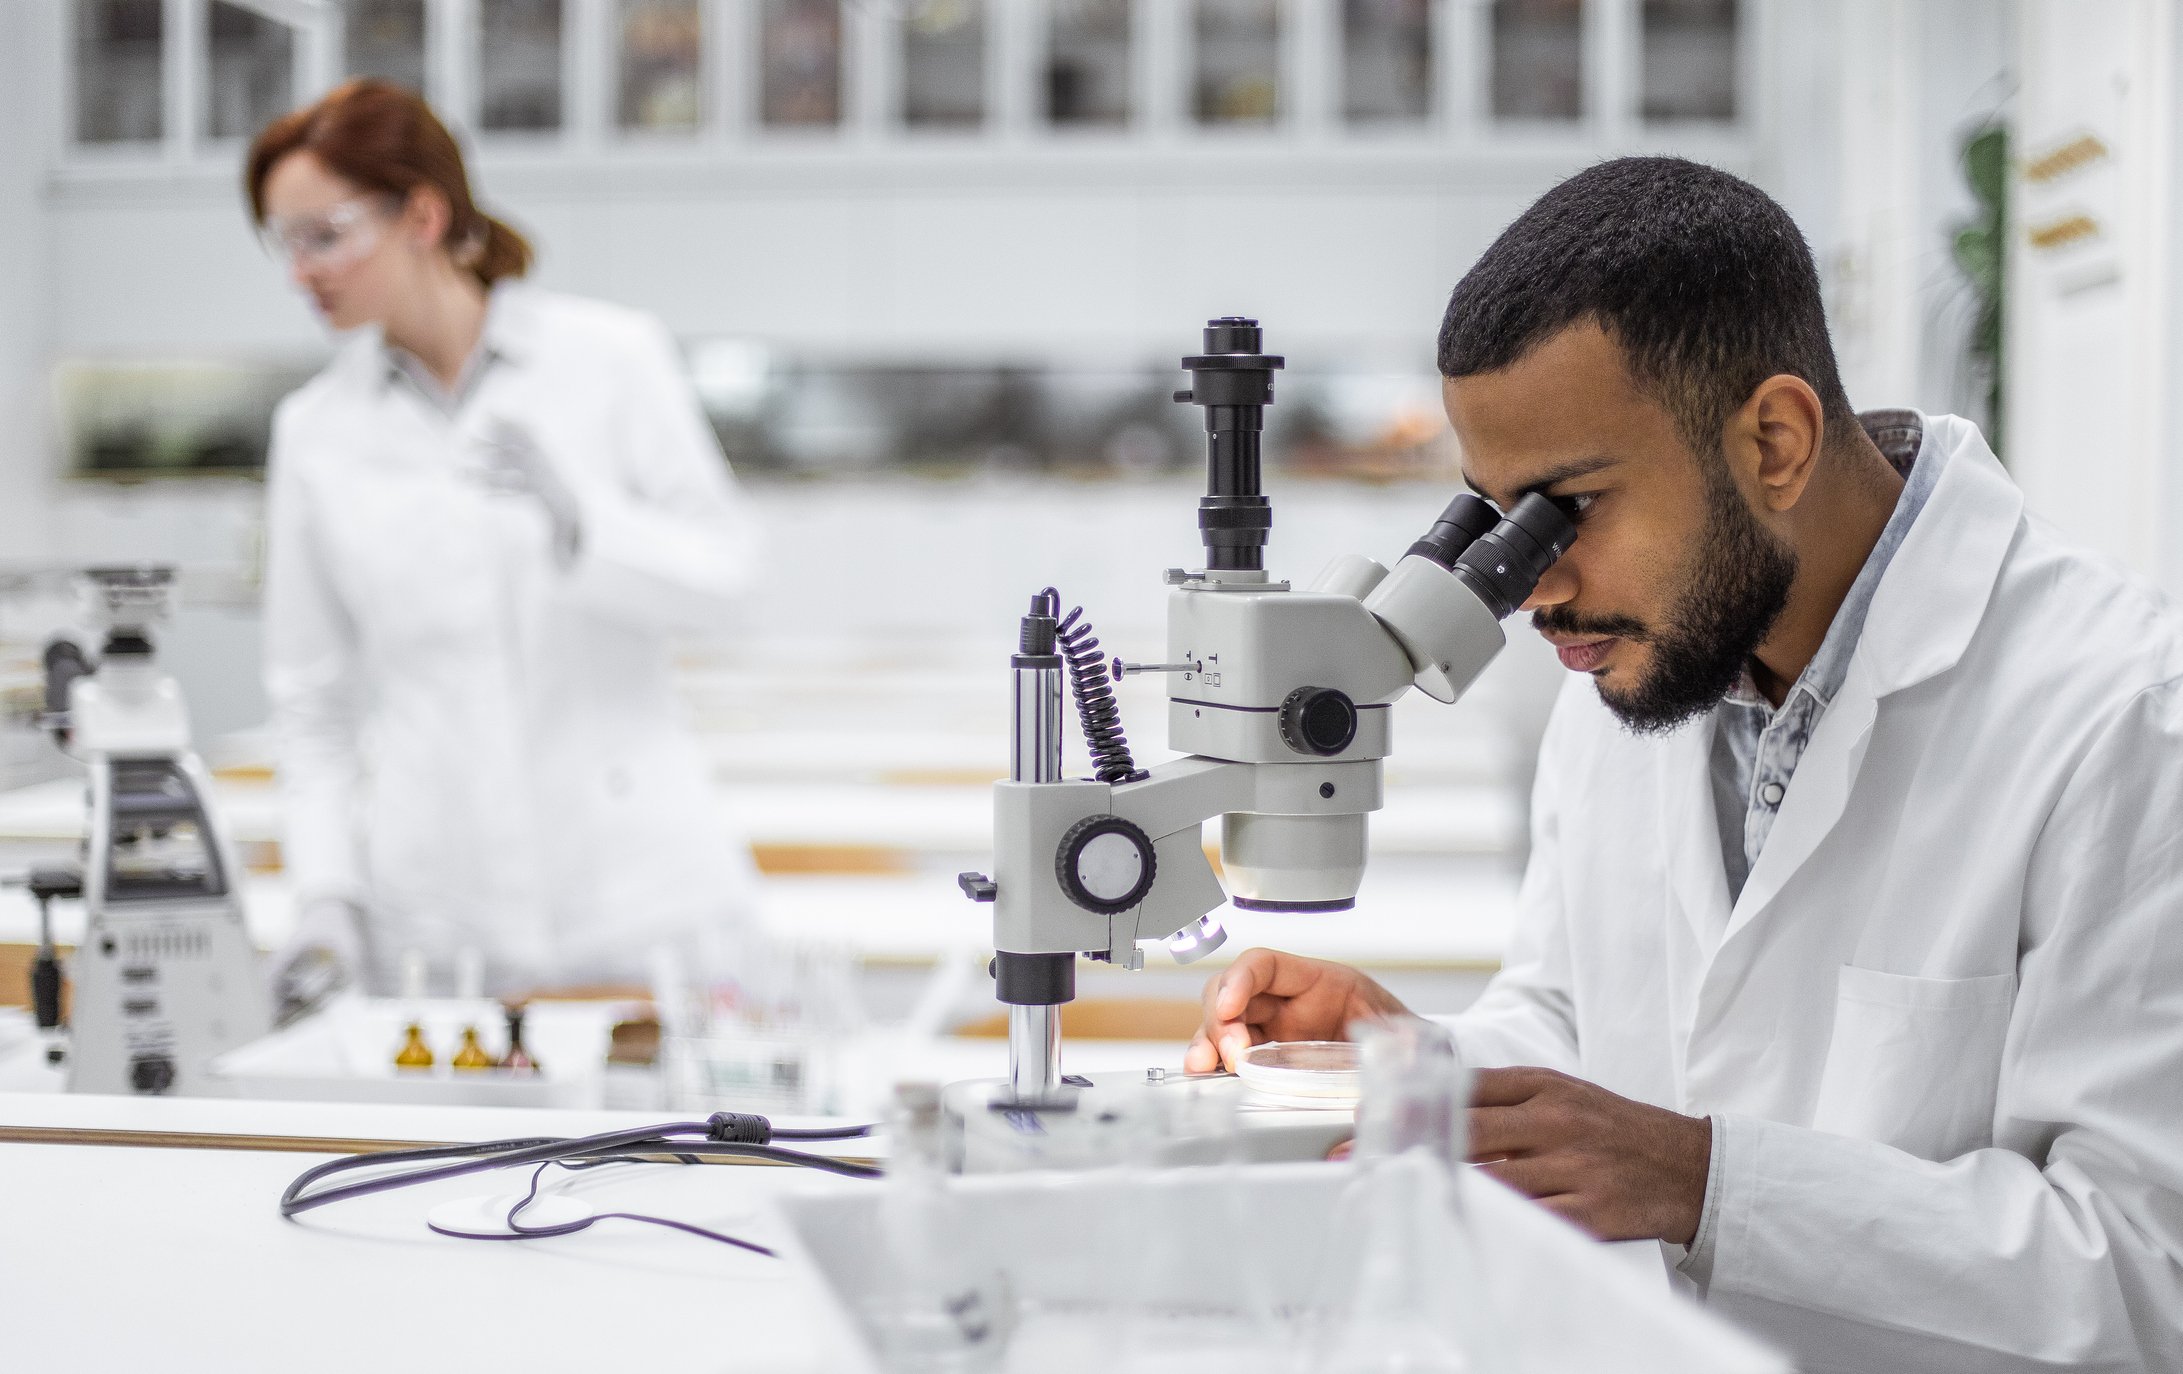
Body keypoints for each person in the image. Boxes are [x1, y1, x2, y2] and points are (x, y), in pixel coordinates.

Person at [1187, 158, 2183, 1370]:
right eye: (1494, 520)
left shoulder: (2123, 717)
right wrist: (1420, 1067)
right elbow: (1577, 1018)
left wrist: (1711, 1186)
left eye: (1567, 509)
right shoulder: (1625, 666)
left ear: (1772, 440)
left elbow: (2144, 1272)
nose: (1530, 587)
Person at [249, 80, 760, 1007]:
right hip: (436, 915)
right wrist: (325, 892)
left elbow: (726, 587)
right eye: (283, 243)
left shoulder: (611, 360)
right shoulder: (314, 430)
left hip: (636, 897)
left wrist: (584, 525)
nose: (300, 271)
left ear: (424, 214)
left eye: (323, 235)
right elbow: (310, 705)